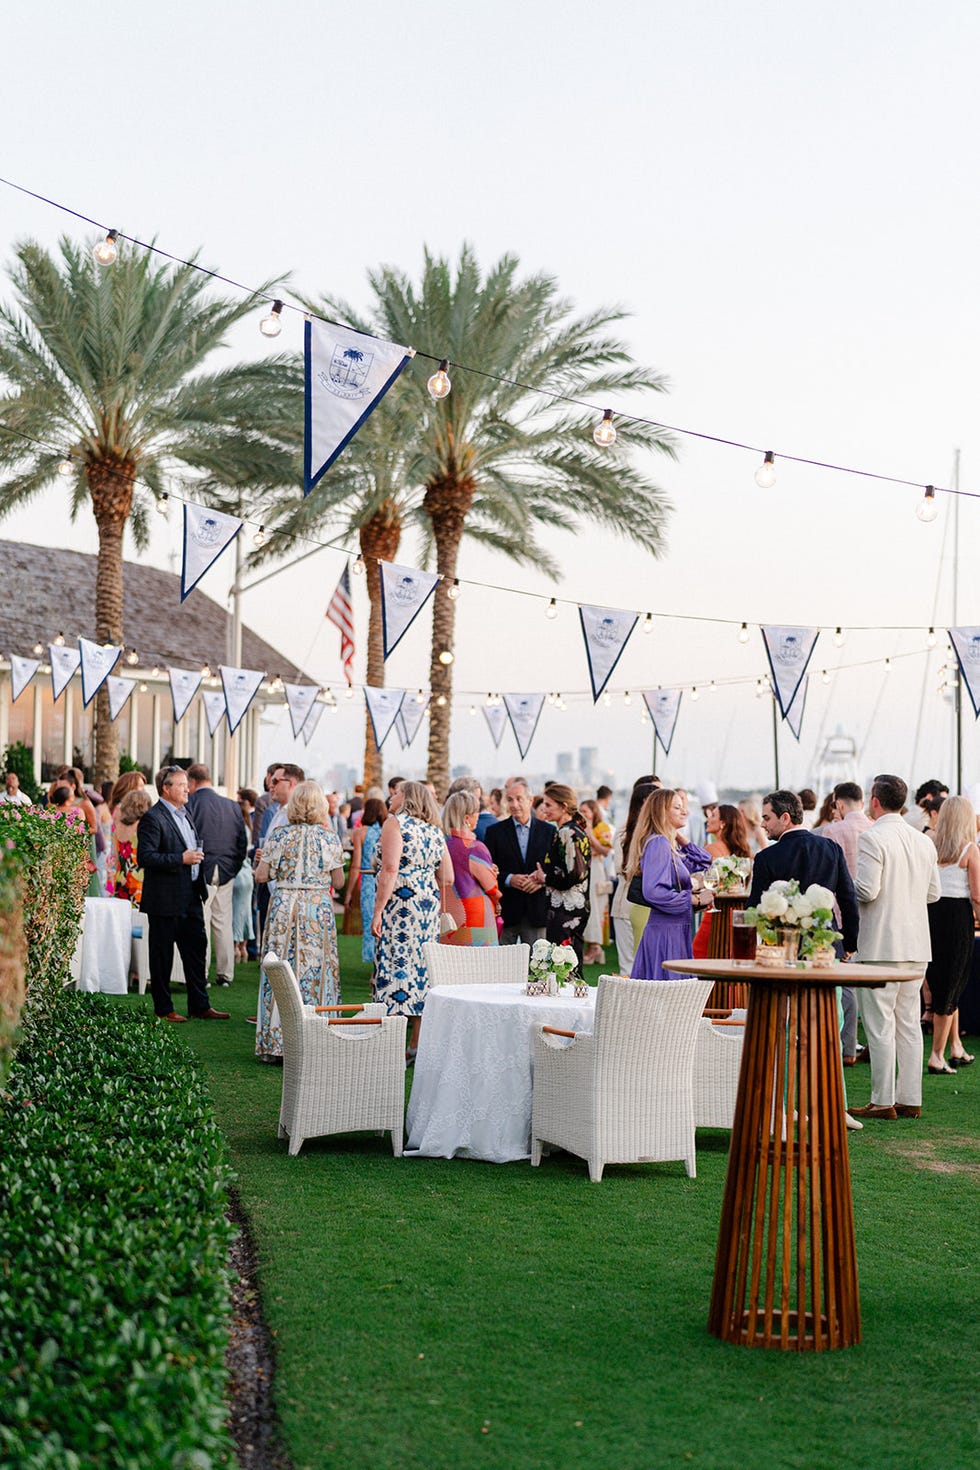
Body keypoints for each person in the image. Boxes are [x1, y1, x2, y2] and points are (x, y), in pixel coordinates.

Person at [851, 774, 941, 1121]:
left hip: (881, 945)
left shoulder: (873, 837)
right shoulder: (923, 842)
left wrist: (847, 886)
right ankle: (910, 1098)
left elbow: (868, 891)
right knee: (908, 1023)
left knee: (879, 1025)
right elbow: (933, 894)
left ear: (875, 800)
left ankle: (882, 1100)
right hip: (916, 944)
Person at [254, 781, 345, 1062]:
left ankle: (276, 1042)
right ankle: (316, 1040)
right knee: (317, 970)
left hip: (283, 906)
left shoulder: (280, 835)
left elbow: (261, 875)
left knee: (281, 969)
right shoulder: (330, 839)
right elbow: (339, 882)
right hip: (316, 908)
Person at [137, 765, 229, 1023]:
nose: (187, 789)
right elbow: (145, 857)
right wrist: (181, 858)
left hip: (190, 896)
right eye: (180, 785)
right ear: (166, 789)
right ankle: (163, 1009)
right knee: (162, 956)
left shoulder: (185, 814)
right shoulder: (153, 818)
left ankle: (200, 1005)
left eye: (186, 784)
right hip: (164, 899)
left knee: (196, 950)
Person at [371, 780, 453, 1059]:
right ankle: (416, 1042)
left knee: (396, 965)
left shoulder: (395, 823)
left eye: (395, 792)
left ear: (406, 797)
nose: (390, 796)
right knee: (420, 970)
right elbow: (448, 877)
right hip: (427, 905)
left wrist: (378, 910)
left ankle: (390, 1044)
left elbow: (390, 868)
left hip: (401, 904)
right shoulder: (433, 830)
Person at [747, 790, 859, 954]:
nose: (763, 825)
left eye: (766, 818)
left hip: (783, 949)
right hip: (826, 946)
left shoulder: (766, 857)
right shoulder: (831, 848)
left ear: (785, 818)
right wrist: (848, 944)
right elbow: (848, 900)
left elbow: (754, 909)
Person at [627, 787, 713, 980]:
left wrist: (677, 835)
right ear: (661, 812)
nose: (685, 812)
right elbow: (654, 891)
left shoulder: (668, 844)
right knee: (667, 995)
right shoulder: (659, 844)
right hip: (666, 933)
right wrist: (695, 899)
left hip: (674, 929)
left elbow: (705, 861)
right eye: (677, 808)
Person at [923, 795, 978, 1074]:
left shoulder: (931, 845)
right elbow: (977, 895)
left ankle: (955, 1046)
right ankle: (936, 1055)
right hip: (957, 918)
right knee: (951, 985)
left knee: (943, 982)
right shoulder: (970, 849)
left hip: (931, 914)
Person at [819, 781, 873, 1063]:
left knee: (847, 984)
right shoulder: (875, 828)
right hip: (874, 914)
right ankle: (869, 1046)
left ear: (839, 803)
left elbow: (832, 878)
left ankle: (847, 1047)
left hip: (841, 912)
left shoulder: (833, 830)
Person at [186, 763, 248, 987]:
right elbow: (242, 842)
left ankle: (201, 973)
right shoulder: (232, 806)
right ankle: (225, 974)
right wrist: (233, 867)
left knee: (201, 922)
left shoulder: (190, 803)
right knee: (223, 922)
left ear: (192, 782)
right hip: (225, 869)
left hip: (200, 868)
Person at [484, 778, 553, 945]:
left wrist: (541, 881)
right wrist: (509, 879)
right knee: (502, 966)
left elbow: (554, 869)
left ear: (530, 801)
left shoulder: (549, 831)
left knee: (539, 965)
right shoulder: (494, 832)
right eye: (509, 799)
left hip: (537, 910)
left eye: (519, 798)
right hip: (506, 910)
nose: (514, 804)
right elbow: (487, 870)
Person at [533, 783, 592, 975]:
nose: (544, 809)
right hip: (574, 908)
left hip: (566, 910)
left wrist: (545, 877)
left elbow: (572, 875)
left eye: (549, 805)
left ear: (564, 806)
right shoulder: (577, 830)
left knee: (564, 966)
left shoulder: (567, 832)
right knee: (570, 962)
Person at [609, 775, 658, 974]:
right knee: (629, 967)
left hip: (651, 907)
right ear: (645, 804)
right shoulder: (625, 832)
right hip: (627, 903)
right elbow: (623, 869)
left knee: (648, 968)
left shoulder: (658, 833)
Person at [691, 803, 752, 959]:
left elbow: (707, 881)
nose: (708, 819)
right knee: (727, 954)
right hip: (736, 909)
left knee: (700, 953)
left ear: (723, 823)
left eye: (713, 816)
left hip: (717, 911)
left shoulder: (712, 848)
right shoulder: (740, 850)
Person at [441, 790, 500, 946]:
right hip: (475, 915)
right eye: (476, 812)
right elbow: (491, 886)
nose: (478, 816)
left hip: (449, 915)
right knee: (481, 964)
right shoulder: (475, 848)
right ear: (466, 818)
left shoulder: (442, 844)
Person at [343, 794, 387, 966]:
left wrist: (348, 893)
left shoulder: (360, 832)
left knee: (371, 923)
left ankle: (374, 965)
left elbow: (355, 865)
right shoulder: (388, 831)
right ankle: (383, 964)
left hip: (369, 880)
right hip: (386, 881)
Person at [580, 797, 612, 965]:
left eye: (586, 811)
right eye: (581, 811)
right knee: (586, 906)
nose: (583, 814)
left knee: (596, 907)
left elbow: (606, 851)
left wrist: (591, 834)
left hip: (597, 871)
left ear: (594, 813)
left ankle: (595, 946)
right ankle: (591, 945)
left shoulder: (602, 828)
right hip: (584, 870)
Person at [110, 786, 153, 904]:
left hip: (120, 878)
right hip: (137, 879)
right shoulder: (142, 826)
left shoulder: (118, 827)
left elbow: (115, 855)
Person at [232, 789, 257, 963]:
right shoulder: (250, 827)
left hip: (239, 872)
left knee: (235, 912)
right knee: (246, 911)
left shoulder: (237, 828)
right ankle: (244, 948)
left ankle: (235, 948)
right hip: (248, 873)